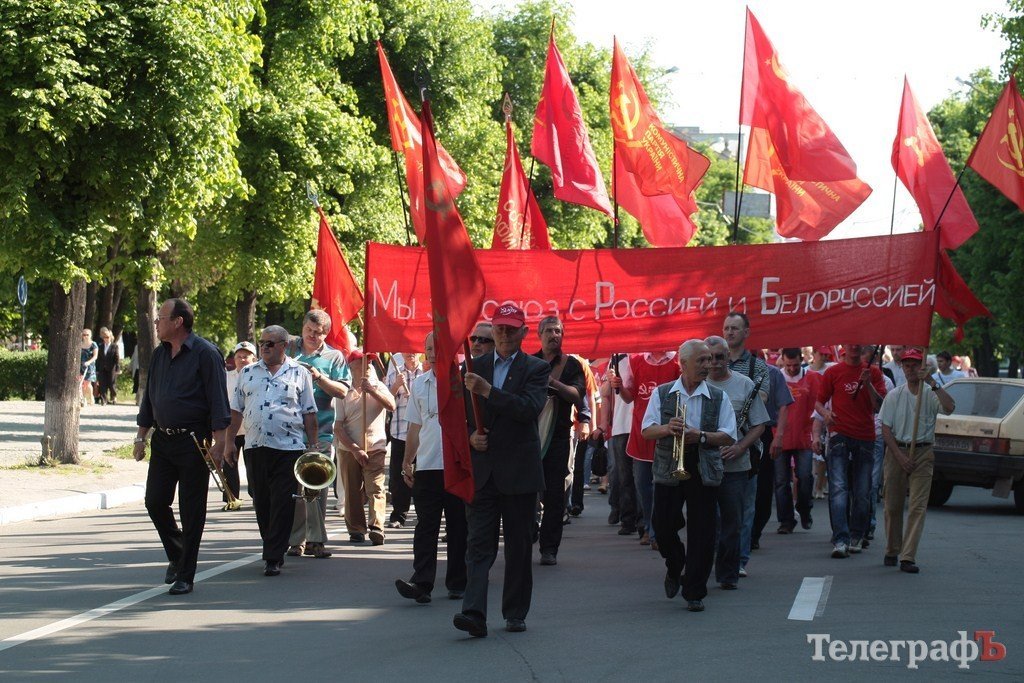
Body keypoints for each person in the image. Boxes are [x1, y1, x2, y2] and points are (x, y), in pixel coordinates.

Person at [455, 303, 549, 637]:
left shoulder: (535, 368)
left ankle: (514, 611)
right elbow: (460, 417)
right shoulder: (472, 366)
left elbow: (528, 409)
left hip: (519, 472)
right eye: (500, 329)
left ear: (524, 332)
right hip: (484, 472)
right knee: (478, 544)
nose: (505, 334)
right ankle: (473, 612)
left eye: (511, 329)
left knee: (519, 545)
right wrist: (470, 437)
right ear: (492, 331)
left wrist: (487, 391)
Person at [133, 298, 230, 595]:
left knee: (191, 509)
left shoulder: (205, 354)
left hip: (193, 441)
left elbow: (218, 399)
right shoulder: (160, 354)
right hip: (163, 440)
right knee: (155, 501)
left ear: (178, 322)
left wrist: (221, 442)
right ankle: (178, 555)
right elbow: (150, 397)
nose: (156, 323)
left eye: (160, 318)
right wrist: (141, 436)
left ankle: (186, 574)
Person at [641, 340, 737, 613]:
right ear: (683, 364)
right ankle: (675, 564)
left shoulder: (719, 397)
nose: (709, 365)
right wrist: (667, 428)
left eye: (710, 360)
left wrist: (702, 436)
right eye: (702, 361)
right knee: (662, 526)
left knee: (703, 531)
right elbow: (646, 431)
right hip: (669, 464)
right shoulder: (662, 394)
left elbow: (729, 434)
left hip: (702, 465)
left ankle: (694, 590)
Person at [224, 325, 318, 578]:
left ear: (284, 346)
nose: (264, 347)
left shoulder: (299, 373)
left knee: (282, 501)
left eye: (270, 343)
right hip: (255, 447)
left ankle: (273, 556)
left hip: (289, 448)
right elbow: (236, 411)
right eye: (262, 343)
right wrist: (229, 442)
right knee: (261, 499)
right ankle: (272, 543)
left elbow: (309, 412)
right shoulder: (247, 373)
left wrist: (313, 448)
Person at [394, 333, 468, 604]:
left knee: (459, 525)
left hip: (456, 465)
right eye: (428, 348)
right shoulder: (420, 384)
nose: (433, 353)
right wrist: (406, 461)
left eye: (438, 348)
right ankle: (422, 582)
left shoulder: (464, 381)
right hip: (427, 466)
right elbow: (414, 426)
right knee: (426, 526)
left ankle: (458, 581)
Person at [722, 312, 793, 558]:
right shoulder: (712, 362)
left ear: (746, 333)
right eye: (726, 328)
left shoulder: (758, 366)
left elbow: (760, 402)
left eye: (735, 328)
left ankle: (739, 557)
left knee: (748, 500)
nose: (729, 332)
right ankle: (721, 553)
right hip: (716, 438)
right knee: (717, 502)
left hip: (750, 437)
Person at [880, 348, 955, 573]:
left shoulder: (930, 393)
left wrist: (932, 381)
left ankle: (908, 556)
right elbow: (885, 429)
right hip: (897, 451)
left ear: (923, 366)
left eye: (915, 364)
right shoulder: (895, 395)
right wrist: (900, 456)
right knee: (892, 506)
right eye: (907, 365)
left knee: (917, 506)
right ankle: (893, 548)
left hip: (923, 452)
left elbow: (950, 408)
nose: (911, 368)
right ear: (902, 367)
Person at [285, 310, 351, 559]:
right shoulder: (289, 349)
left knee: (316, 488)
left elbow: (343, 391)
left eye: (319, 333)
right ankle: (296, 540)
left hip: (321, 432)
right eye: (309, 331)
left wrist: (319, 377)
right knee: (294, 491)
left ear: (326, 333)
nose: (313, 336)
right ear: (302, 327)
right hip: (289, 432)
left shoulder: (335, 357)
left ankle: (316, 541)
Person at [704, 336, 768, 589]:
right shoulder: (696, 384)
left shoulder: (744, 384)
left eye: (720, 356)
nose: (715, 362)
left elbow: (760, 424)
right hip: (705, 463)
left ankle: (728, 572)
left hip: (736, 466)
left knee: (732, 521)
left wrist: (740, 447)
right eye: (710, 358)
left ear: (729, 356)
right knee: (708, 520)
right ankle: (704, 563)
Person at [816, 343, 887, 558]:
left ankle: (857, 534)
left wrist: (869, 385)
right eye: (850, 344)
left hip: (865, 438)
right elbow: (819, 403)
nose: (854, 347)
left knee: (863, 490)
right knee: (838, 489)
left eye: (858, 344)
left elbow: (879, 406)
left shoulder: (874, 373)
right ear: (844, 348)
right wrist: (826, 415)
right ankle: (840, 539)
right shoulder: (832, 372)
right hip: (839, 436)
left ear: (863, 348)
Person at [612, 349, 680, 550]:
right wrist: (619, 386)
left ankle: (663, 529)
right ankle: (651, 530)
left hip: (668, 434)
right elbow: (629, 397)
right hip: (642, 433)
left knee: (666, 487)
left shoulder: (677, 361)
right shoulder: (635, 361)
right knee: (643, 487)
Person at [532, 316, 586, 566]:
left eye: (558, 331)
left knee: (554, 495)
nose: (554, 335)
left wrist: (552, 383)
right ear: (539, 334)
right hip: (529, 437)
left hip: (558, 438)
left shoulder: (571, 364)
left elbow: (577, 395)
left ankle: (549, 548)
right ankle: (528, 534)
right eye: (550, 331)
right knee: (526, 491)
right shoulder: (528, 362)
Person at [334, 350, 395, 545]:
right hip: (348, 449)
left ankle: (377, 527)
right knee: (352, 490)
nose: (367, 367)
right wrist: (354, 449)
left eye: (369, 363)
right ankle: (356, 529)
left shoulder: (379, 386)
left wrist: (372, 391)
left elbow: (391, 405)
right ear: (351, 367)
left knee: (376, 487)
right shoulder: (343, 392)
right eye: (361, 363)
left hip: (375, 446)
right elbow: (338, 426)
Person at [776, 348, 823, 533]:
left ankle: (804, 508)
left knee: (804, 476)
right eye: (788, 365)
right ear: (783, 361)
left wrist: (817, 434)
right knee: (781, 481)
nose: (792, 369)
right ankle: (786, 520)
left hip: (804, 435)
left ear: (801, 360)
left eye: (795, 365)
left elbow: (818, 405)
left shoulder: (812, 378)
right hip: (780, 435)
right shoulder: (776, 377)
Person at [385, 351, 425, 529]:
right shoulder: (395, 371)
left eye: (414, 350)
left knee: (423, 474)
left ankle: (424, 514)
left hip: (423, 433)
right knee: (399, 476)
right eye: (406, 350)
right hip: (400, 430)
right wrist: (395, 386)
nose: (410, 354)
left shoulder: (426, 372)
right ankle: (398, 515)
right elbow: (384, 399)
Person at [602, 354, 637, 535]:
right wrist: (610, 380)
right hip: (622, 424)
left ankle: (644, 522)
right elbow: (604, 393)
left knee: (641, 477)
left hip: (644, 424)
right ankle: (627, 519)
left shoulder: (650, 356)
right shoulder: (618, 358)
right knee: (622, 476)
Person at [223, 341, 257, 506]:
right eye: (239, 357)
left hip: (252, 428)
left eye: (246, 357)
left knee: (253, 466)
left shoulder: (258, 377)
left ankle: (256, 495)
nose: (242, 360)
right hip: (232, 429)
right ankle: (231, 498)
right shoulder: (226, 377)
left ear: (254, 358)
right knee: (229, 463)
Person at [96, 327, 120, 405]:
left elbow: (117, 358)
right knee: (102, 384)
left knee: (111, 384)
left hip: (111, 368)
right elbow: (99, 358)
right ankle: (104, 399)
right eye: (105, 337)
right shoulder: (101, 346)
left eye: (108, 337)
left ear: (111, 337)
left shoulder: (114, 346)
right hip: (102, 368)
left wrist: (117, 368)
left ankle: (113, 397)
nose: (106, 339)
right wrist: (97, 369)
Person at [79, 328, 99, 408]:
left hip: (89, 366)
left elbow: (95, 356)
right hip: (81, 366)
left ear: (90, 335)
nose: (85, 336)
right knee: (82, 383)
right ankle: (83, 399)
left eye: (87, 334)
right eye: (84, 334)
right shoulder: (80, 344)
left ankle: (90, 396)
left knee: (87, 383)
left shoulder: (93, 344)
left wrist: (88, 362)